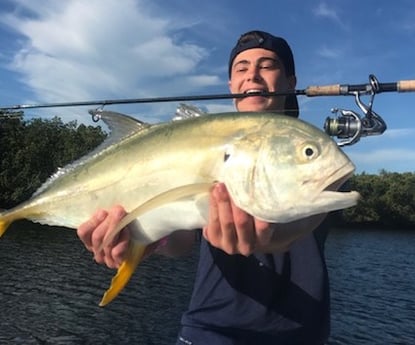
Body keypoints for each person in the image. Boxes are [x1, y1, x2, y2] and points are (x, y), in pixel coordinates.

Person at [77, 30, 331, 345]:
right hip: (211, 331)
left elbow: (302, 222)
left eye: (267, 65)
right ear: (231, 85)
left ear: (291, 82)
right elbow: (182, 241)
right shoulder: (205, 151)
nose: (252, 74)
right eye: (241, 68)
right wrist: (144, 240)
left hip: (303, 337)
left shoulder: (316, 151)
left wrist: (271, 237)